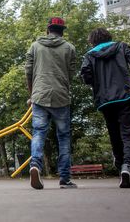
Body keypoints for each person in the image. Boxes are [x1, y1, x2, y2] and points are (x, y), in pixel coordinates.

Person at [81, 28, 130, 188]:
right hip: (126, 96)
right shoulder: (121, 47)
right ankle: (127, 165)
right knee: (129, 133)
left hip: (105, 101)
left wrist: (98, 82)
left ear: (92, 41)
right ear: (109, 36)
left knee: (114, 134)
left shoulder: (89, 55)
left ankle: (120, 164)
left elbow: (86, 77)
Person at [25, 17, 77, 189]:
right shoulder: (69, 48)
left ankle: (35, 165)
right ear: (62, 31)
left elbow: (28, 71)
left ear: (48, 30)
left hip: (39, 95)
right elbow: (71, 73)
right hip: (61, 96)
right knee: (63, 137)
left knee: (39, 132)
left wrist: (32, 94)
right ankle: (64, 179)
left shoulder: (35, 46)